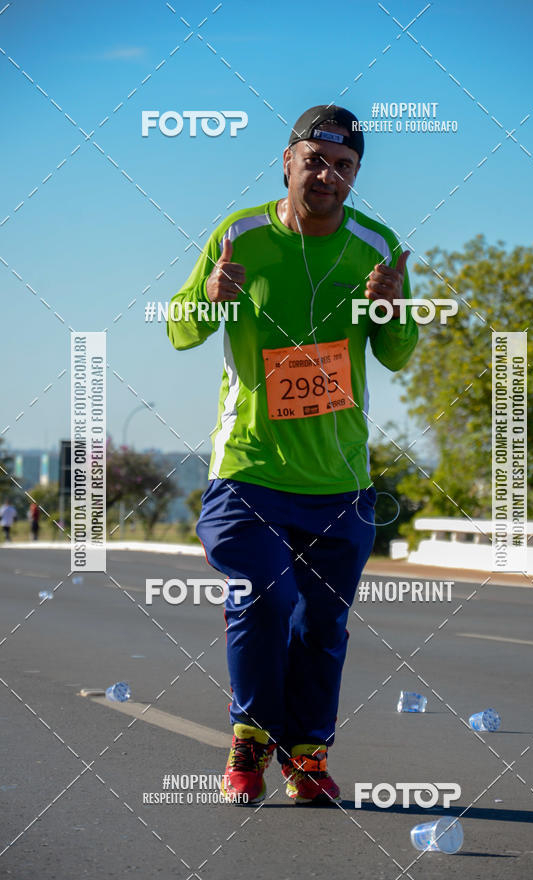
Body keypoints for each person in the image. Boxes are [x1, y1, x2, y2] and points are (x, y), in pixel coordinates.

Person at [167, 104, 418, 806]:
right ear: (287, 162)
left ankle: (307, 755)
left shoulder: (377, 246)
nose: (327, 175)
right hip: (249, 469)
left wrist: (392, 309)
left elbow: (397, 355)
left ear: (356, 175)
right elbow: (179, 329)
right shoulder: (240, 233)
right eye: (315, 160)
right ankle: (250, 737)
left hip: (339, 478)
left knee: (321, 623)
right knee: (266, 596)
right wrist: (209, 296)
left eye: (344, 166)